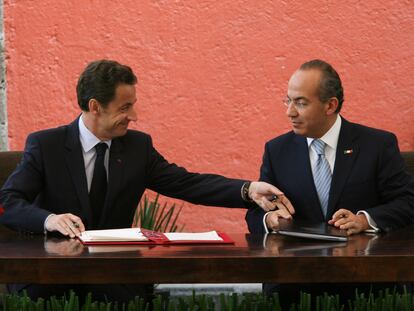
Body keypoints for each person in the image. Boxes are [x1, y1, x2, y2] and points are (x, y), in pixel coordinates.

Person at [0, 59, 293, 303]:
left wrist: (248, 189)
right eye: (125, 107)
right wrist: (49, 219)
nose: (135, 116)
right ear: (95, 106)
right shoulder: (46, 145)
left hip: (115, 278)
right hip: (50, 278)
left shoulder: (137, 148)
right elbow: (8, 202)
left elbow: (187, 184)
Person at [246, 59, 414, 306]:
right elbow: (255, 211)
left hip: (364, 286)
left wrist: (364, 219)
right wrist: (269, 219)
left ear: (330, 105)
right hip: (293, 286)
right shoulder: (277, 150)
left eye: (301, 103)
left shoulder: (377, 145)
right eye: (288, 100)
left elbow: (409, 202)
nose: (289, 111)